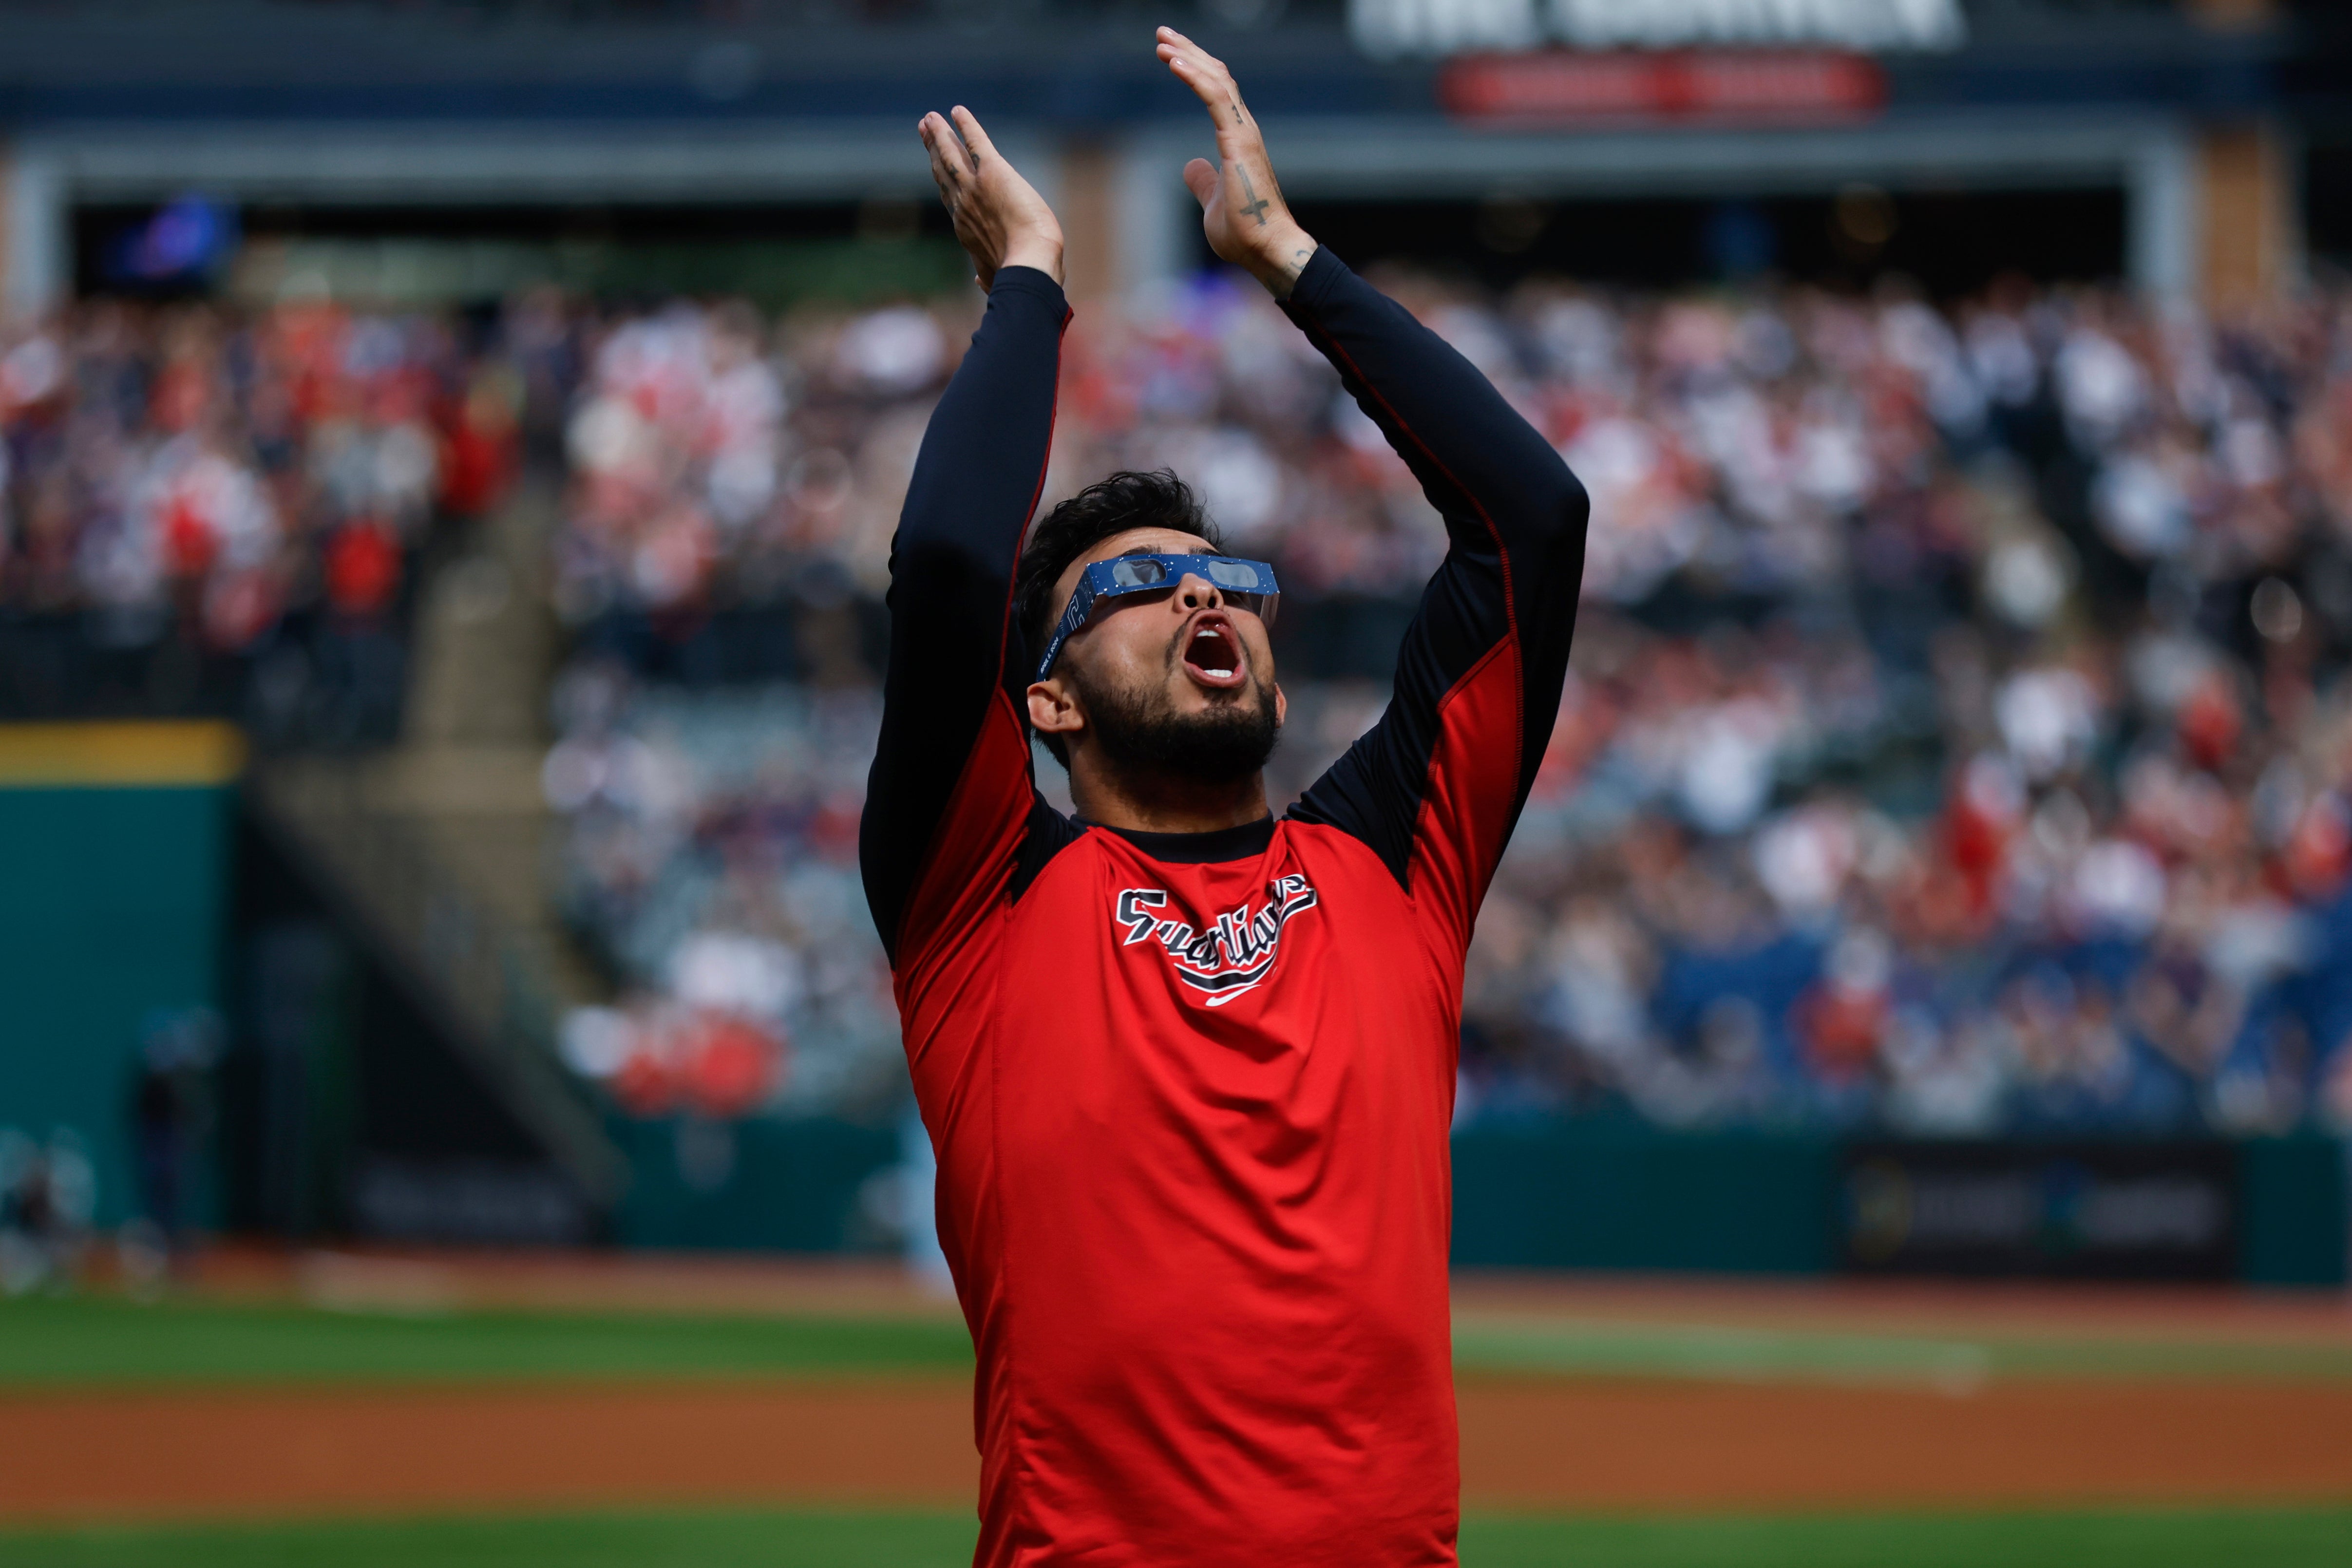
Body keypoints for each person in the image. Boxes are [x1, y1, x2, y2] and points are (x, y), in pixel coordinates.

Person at [859, 28, 1588, 1565]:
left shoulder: (1396, 859)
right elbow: (945, 571)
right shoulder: (975, 890)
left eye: (1229, 581)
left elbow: (1530, 517)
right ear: (1042, 695)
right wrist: (1031, 278)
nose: (1209, 600)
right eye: (1138, 585)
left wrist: (1285, 258)